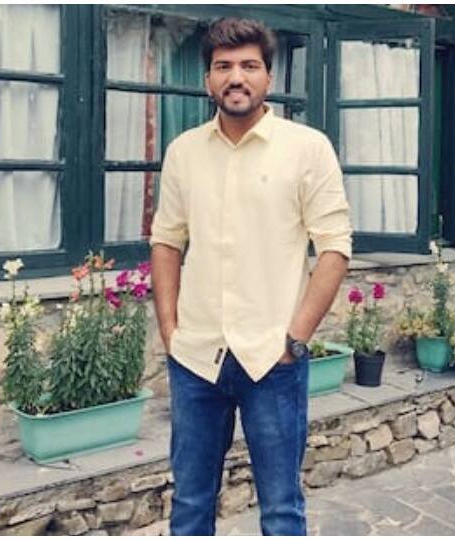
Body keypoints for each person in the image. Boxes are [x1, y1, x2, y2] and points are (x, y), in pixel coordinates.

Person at [149, 17, 352, 536]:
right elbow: (166, 241)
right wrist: (171, 332)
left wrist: (295, 339)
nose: (236, 77)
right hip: (197, 358)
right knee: (190, 505)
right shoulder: (184, 152)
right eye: (223, 66)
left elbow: (334, 248)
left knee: (281, 509)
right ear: (208, 80)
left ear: (268, 76)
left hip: (272, 359)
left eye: (249, 65)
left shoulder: (307, 148)